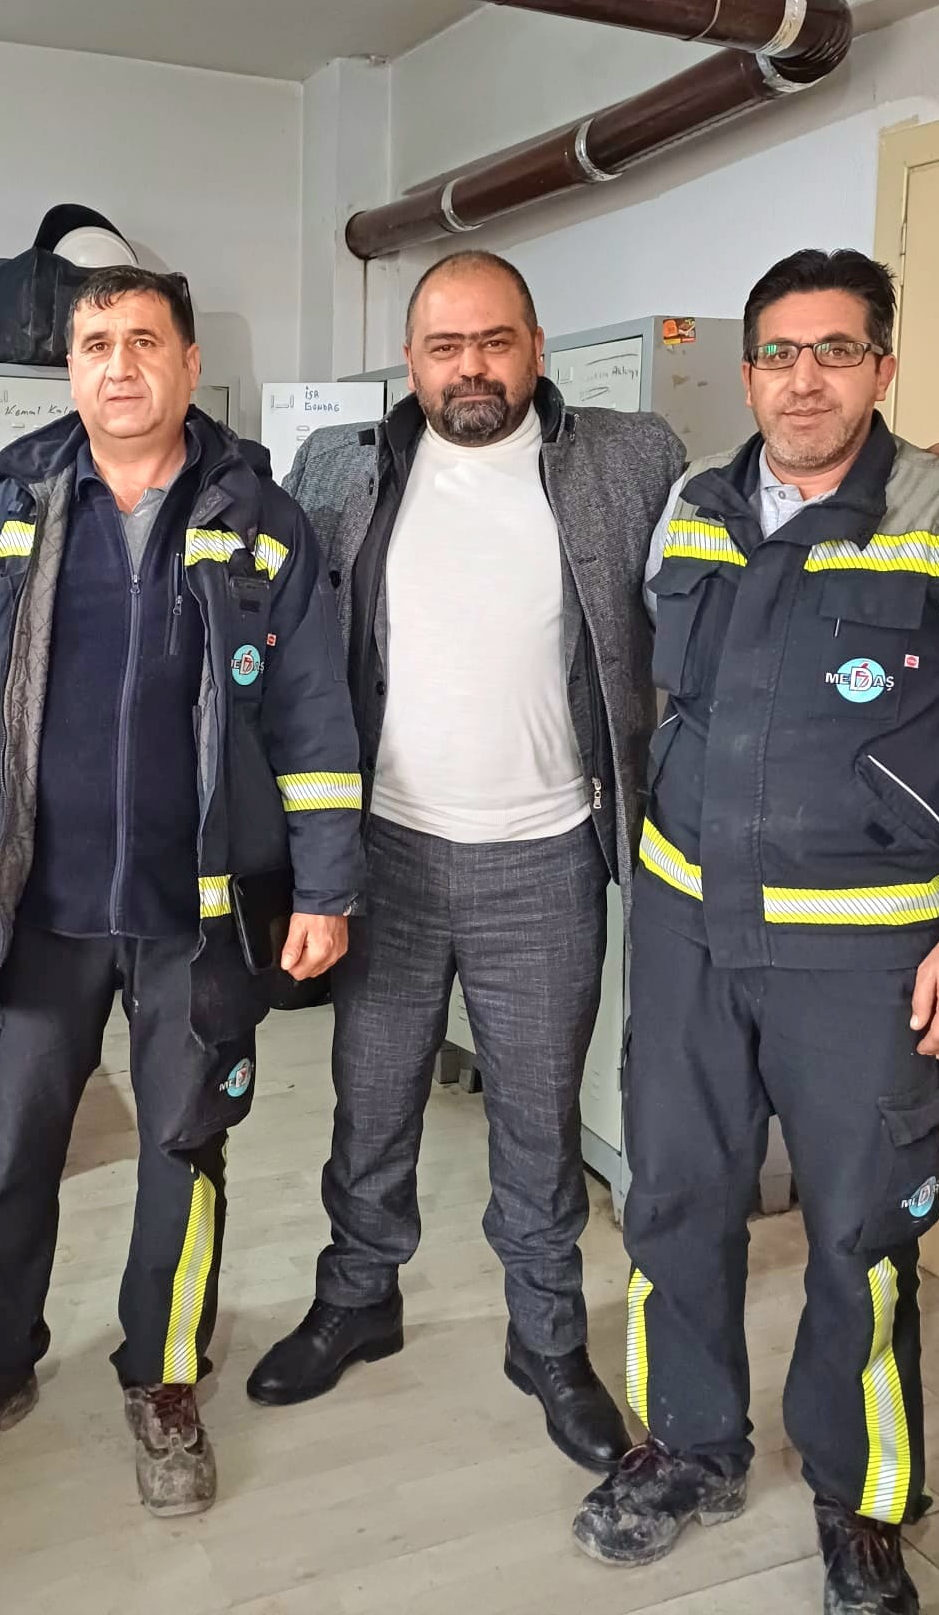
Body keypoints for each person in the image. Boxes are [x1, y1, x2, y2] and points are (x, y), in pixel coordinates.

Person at [572, 249, 939, 1615]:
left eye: (836, 350)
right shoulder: (694, 510)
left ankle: (861, 1497)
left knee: (860, 1232)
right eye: (779, 352)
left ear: (882, 366)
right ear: (749, 371)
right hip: (689, 929)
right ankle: (692, 1448)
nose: (805, 379)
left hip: (867, 953)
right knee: (673, 1197)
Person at [0, 265, 362, 1518]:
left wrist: (326, 885)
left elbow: (315, 718)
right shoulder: (8, 510)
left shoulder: (261, 520)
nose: (119, 364)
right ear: (70, 367)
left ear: (190, 363)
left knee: (182, 1149)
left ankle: (164, 1377)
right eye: (95, 341)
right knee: (3, 1151)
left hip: (196, 913)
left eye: (145, 339)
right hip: (36, 905)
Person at [246, 250, 686, 1474]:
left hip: (544, 857)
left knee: (539, 1124)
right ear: (412, 360)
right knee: (371, 1099)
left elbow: (754, 515)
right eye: (445, 347)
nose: (471, 367)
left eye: (495, 341)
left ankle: (547, 1338)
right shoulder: (339, 466)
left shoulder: (630, 458)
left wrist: (923, 480)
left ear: (536, 346)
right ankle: (358, 1296)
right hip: (381, 849)